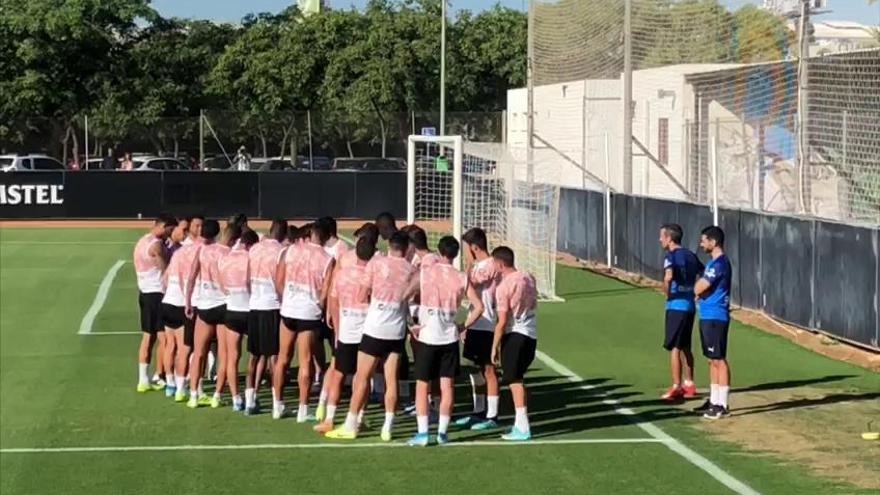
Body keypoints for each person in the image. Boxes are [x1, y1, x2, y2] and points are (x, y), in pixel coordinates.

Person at [325, 231, 417, 442]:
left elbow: (361, 294)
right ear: (406, 248)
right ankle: (388, 426)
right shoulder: (412, 270)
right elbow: (412, 297)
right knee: (391, 379)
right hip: (397, 331)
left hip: (375, 328)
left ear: (389, 246)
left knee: (361, 377)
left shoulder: (377, 264)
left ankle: (351, 423)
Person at [408, 236, 483, 446]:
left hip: (427, 336)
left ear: (440, 252)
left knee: (422, 386)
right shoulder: (461, 277)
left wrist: (410, 323)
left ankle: (422, 433)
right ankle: (442, 432)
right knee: (447, 386)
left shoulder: (425, 272)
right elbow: (479, 307)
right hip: (449, 337)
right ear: (455, 254)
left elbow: (404, 295)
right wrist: (463, 325)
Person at [273, 219, 335, 422]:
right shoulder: (328, 259)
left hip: (288, 310)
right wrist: (318, 305)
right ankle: (303, 408)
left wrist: (288, 299)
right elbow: (325, 292)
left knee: (282, 358)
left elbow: (279, 281)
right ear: (325, 237)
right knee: (306, 361)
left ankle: (278, 404)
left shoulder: (289, 251)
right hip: (308, 313)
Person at [314, 236, 377, 434]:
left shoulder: (342, 275)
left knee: (338, 374)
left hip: (347, 331)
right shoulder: (373, 277)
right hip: (368, 331)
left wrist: (337, 327)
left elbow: (333, 302)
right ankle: (359, 417)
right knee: (364, 377)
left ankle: (330, 417)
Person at [185, 220, 236, 408]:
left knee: (199, 353)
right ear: (218, 233)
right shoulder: (226, 252)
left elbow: (191, 278)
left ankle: (193, 395)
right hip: (223, 304)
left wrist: (188, 302)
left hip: (205, 305)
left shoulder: (201, 251)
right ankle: (217, 395)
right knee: (224, 354)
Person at [456, 227, 502, 430]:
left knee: (489, 370)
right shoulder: (478, 265)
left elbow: (469, 284)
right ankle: (479, 411)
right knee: (476, 370)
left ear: (474, 247)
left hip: (488, 325)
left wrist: (468, 264)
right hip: (476, 322)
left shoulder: (490, 265)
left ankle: (492, 416)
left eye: (466, 247)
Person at [490, 246, 538, 442]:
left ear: (500, 264)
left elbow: (501, 321)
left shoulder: (503, 287)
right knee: (517, 378)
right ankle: (520, 423)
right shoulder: (528, 277)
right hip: (531, 334)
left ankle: (523, 425)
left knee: (514, 380)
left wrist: (495, 345)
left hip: (515, 334)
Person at [245, 219, 288, 415]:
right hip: (272, 306)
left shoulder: (254, 249)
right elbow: (280, 283)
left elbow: (246, 279)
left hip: (254, 304)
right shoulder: (282, 251)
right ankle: (276, 404)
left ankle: (249, 400)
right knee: (274, 356)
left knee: (254, 356)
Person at [659, 224, 703, 401]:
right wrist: (697, 292)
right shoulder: (691, 255)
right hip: (690, 306)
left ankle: (677, 386)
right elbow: (704, 272)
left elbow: (669, 277)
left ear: (669, 238)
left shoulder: (670, 256)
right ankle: (690, 383)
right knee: (686, 346)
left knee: (675, 347)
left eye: (662, 236)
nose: (660, 239)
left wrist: (667, 288)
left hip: (676, 306)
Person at [133, 214, 177, 393]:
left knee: (148, 337)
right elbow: (165, 269)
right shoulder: (157, 245)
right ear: (164, 226)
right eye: (170, 229)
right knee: (164, 338)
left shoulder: (143, 241)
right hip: (157, 294)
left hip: (145, 293)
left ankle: (144, 378)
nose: (171, 233)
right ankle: (165, 376)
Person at [218, 229, 259, 412]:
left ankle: (236, 398)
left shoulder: (225, 258)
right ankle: (251, 393)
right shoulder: (251, 259)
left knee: (232, 357)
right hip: (250, 310)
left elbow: (221, 284)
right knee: (256, 355)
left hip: (232, 310)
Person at [693, 226, 733, 420]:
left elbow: (702, 286)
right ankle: (714, 400)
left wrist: (697, 290)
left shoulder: (720, 264)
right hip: (707, 315)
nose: (701, 244)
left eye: (704, 240)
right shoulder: (713, 264)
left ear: (713, 242)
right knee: (711, 359)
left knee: (719, 359)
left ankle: (722, 404)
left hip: (716, 316)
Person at [168, 215, 204, 402]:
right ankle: (195, 390)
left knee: (186, 347)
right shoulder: (199, 250)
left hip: (187, 301)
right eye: (197, 226)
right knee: (197, 349)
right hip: (196, 303)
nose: (199, 229)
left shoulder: (181, 251)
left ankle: (180, 388)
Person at [159, 217, 190, 398]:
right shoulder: (188, 254)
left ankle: (170, 383)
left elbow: (164, 278)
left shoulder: (176, 255)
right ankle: (180, 387)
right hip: (179, 303)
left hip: (167, 302)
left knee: (170, 345)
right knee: (183, 348)